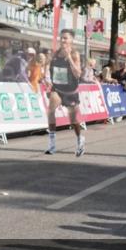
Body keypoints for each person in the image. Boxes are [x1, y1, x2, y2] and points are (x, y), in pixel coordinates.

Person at [45, 28, 86, 157]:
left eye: (65, 38)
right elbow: (48, 69)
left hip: (71, 91)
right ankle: (52, 144)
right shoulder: (55, 54)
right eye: (61, 38)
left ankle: (80, 139)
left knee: (73, 120)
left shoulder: (74, 54)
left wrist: (69, 58)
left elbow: (78, 73)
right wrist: (48, 81)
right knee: (50, 110)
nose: (62, 40)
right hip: (57, 89)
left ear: (71, 40)